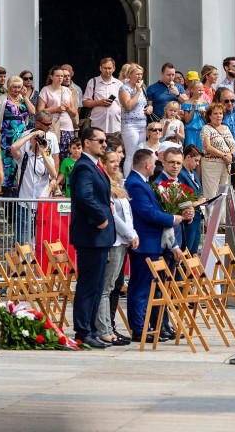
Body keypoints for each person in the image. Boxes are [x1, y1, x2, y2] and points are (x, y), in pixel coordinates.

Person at [125, 149, 193, 341]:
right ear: (147, 164)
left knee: (148, 287)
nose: (156, 166)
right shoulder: (135, 184)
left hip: (152, 243)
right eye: (154, 163)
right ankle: (139, 328)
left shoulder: (142, 182)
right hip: (145, 243)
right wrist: (173, 218)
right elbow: (148, 212)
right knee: (140, 288)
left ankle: (147, 326)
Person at [69, 127, 116, 349]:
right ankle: (83, 331)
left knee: (97, 286)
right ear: (87, 143)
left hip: (99, 237)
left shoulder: (94, 166)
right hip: (91, 235)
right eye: (100, 140)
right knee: (88, 285)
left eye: (105, 140)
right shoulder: (84, 167)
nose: (104, 144)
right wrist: (100, 217)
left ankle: (91, 329)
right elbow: (84, 196)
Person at [95, 145, 135, 346]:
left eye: (116, 161)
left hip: (123, 241)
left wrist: (131, 234)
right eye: (111, 161)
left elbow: (126, 214)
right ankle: (104, 329)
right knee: (106, 287)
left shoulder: (119, 182)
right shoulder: (105, 184)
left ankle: (110, 327)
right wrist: (130, 234)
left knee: (114, 287)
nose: (115, 164)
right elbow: (113, 216)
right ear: (103, 163)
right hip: (115, 239)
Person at [10, 111, 59, 244]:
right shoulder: (24, 158)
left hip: (42, 205)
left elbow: (54, 174)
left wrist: (42, 152)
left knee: (40, 240)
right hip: (25, 204)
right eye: (46, 124)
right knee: (23, 242)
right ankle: (22, 264)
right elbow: (13, 147)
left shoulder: (46, 159)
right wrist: (32, 134)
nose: (49, 126)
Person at [0, 75, 35, 195]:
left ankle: (18, 189)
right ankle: (7, 191)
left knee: (19, 160)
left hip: (21, 135)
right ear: (8, 87)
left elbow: (33, 112)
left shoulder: (23, 98)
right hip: (6, 137)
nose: (17, 89)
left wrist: (25, 97)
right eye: (14, 87)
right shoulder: (3, 99)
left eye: (19, 87)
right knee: (7, 164)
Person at [118, 63, 150, 175]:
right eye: (137, 74)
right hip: (130, 124)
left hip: (142, 123)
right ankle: (127, 180)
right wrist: (138, 92)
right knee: (131, 154)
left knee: (141, 153)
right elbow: (128, 105)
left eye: (141, 74)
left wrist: (149, 108)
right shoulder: (124, 88)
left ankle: (139, 178)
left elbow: (145, 103)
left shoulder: (143, 88)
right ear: (130, 74)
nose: (140, 76)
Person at [37, 66, 78, 149]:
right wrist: (56, 109)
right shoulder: (46, 90)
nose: (60, 78)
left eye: (62, 76)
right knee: (52, 152)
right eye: (57, 76)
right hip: (52, 126)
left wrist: (68, 108)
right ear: (51, 77)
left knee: (67, 153)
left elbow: (74, 113)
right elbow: (40, 110)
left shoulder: (67, 90)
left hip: (67, 127)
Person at [200, 102, 235, 199]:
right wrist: (224, 155)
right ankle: (211, 214)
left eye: (220, 113)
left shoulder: (226, 128)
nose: (218, 116)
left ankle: (222, 215)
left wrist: (230, 155)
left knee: (224, 194)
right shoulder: (206, 128)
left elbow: (233, 145)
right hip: (211, 164)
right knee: (211, 194)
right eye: (215, 113)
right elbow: (208, 147)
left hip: (226, 164)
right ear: (210, 116)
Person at [82, 58, 123, 134]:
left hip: (115, 125)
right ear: (100, 68)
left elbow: (123, 104)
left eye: (109, 68)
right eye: (105, 68)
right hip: (98, 124)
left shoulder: (119, 84)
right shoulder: (93, 82)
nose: (107, 71)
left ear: (114, 68)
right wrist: (99, 102)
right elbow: (85, 102)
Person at [178, 145, 205, 255]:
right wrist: (199, 202)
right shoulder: (180, 174)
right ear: (188, 157)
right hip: (188, 217)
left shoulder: (193, 173)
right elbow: (181, 199)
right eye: (196, 160)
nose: (197, 164)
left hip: (197, 217)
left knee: (194, 250)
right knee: (187, 250)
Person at [181, 80, 209, 149]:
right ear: (192, 90)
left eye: (203, 90)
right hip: (190, 131)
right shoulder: (187, 103)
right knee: (191, 150)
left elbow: (207, 121)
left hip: (201, 130)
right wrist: (193, 108)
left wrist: (203, 115)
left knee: (202, 151)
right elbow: (187, 120)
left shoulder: (204, 103)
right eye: (199, 90)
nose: (201, 92)